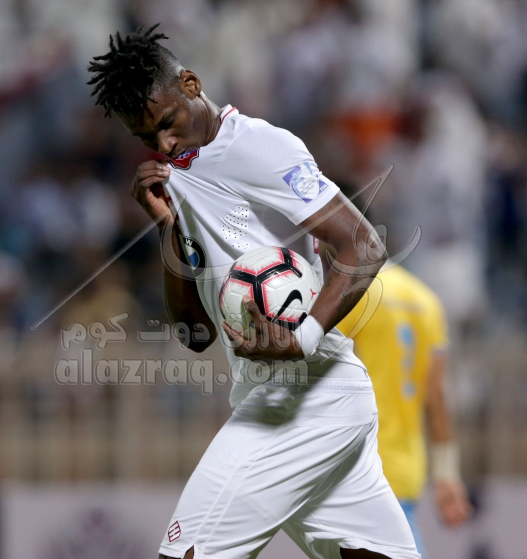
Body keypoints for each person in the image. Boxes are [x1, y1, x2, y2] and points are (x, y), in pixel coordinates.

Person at [88, 24, 419, 559]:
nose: (163, 145)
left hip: (305, 397)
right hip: (284, 394)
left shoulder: (259, 146)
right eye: (145, 138)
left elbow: (363, 246)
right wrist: (168, 230)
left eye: (167, 123)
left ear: (191, 84)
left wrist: (303, 336)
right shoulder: (178, 178)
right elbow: (195, 334)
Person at [337, 261, 473, 557]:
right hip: (407, 469)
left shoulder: (356, 291)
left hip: (360, 466)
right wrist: (446, 473)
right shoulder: (427, 301)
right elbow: (436, 395)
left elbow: (324, 371)